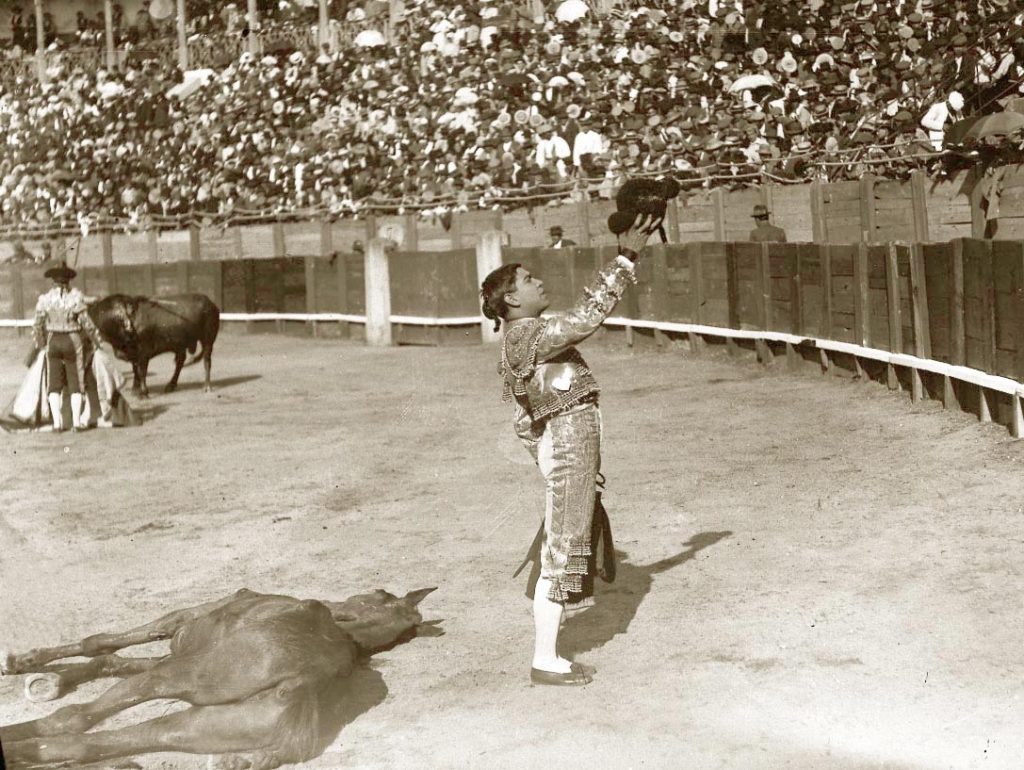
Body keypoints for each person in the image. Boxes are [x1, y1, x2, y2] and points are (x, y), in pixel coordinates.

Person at [480, 212, 662, 686]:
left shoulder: (522, 339)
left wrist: (549, 459)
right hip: (567, 447)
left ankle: (548, 655)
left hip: (565, 449)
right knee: (561, 551)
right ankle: (545, 661)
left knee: (563, 545)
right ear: (512, 298)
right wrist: (625, 258)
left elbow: (523, 420)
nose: (539, 282)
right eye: (528, 279)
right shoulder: (526, 335)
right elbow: (585, 318)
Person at [31, 261, 105, 432]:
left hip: (53, 340)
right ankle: (76, 422)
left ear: (53, 281)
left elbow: (37, 325)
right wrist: (97, 342)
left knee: (54, 383)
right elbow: (87, 323)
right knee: (76, 381)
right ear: (68, 281)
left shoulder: (45, 299)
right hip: (72, 340)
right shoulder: (76, 297)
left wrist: (42, 345)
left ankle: (57, 424)